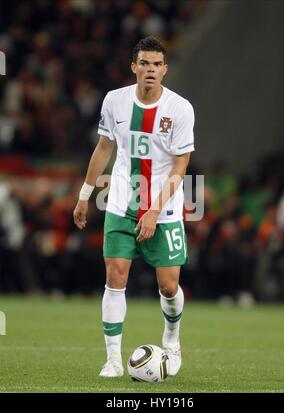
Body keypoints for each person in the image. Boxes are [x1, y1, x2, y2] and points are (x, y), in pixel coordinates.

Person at [73, 36, 195, 378]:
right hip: (121, 203)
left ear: (165, 70)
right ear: (134, 67)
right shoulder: (115, 101)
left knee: (169, 287)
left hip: (165, 207)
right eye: (144, 63)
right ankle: (112, 359)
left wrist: (155, 211)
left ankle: (172, 339)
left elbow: (180, 167)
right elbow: (103, 148)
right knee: (115, 277)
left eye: (157, 64)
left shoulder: (180, 109)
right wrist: (85, 194)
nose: (150, 70)